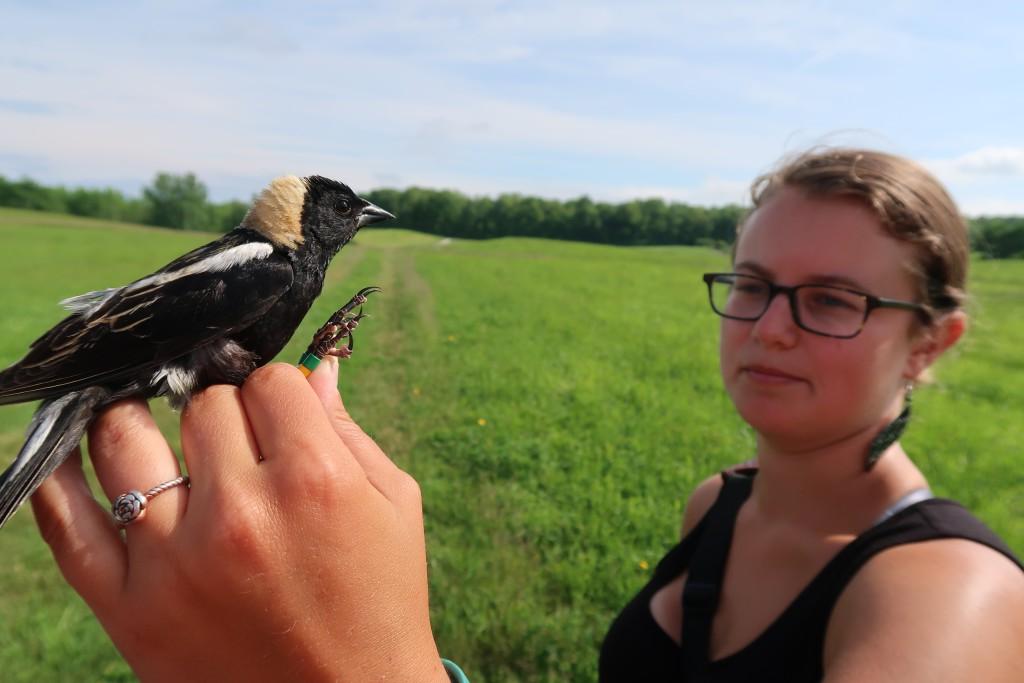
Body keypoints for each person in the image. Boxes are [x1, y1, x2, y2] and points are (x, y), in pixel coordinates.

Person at [28, 148, 1024, 682]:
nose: (768, 326)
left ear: (929, 341)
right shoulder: (718, 506)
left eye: (834, 297)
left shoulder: (952, 597)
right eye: (753, 283)